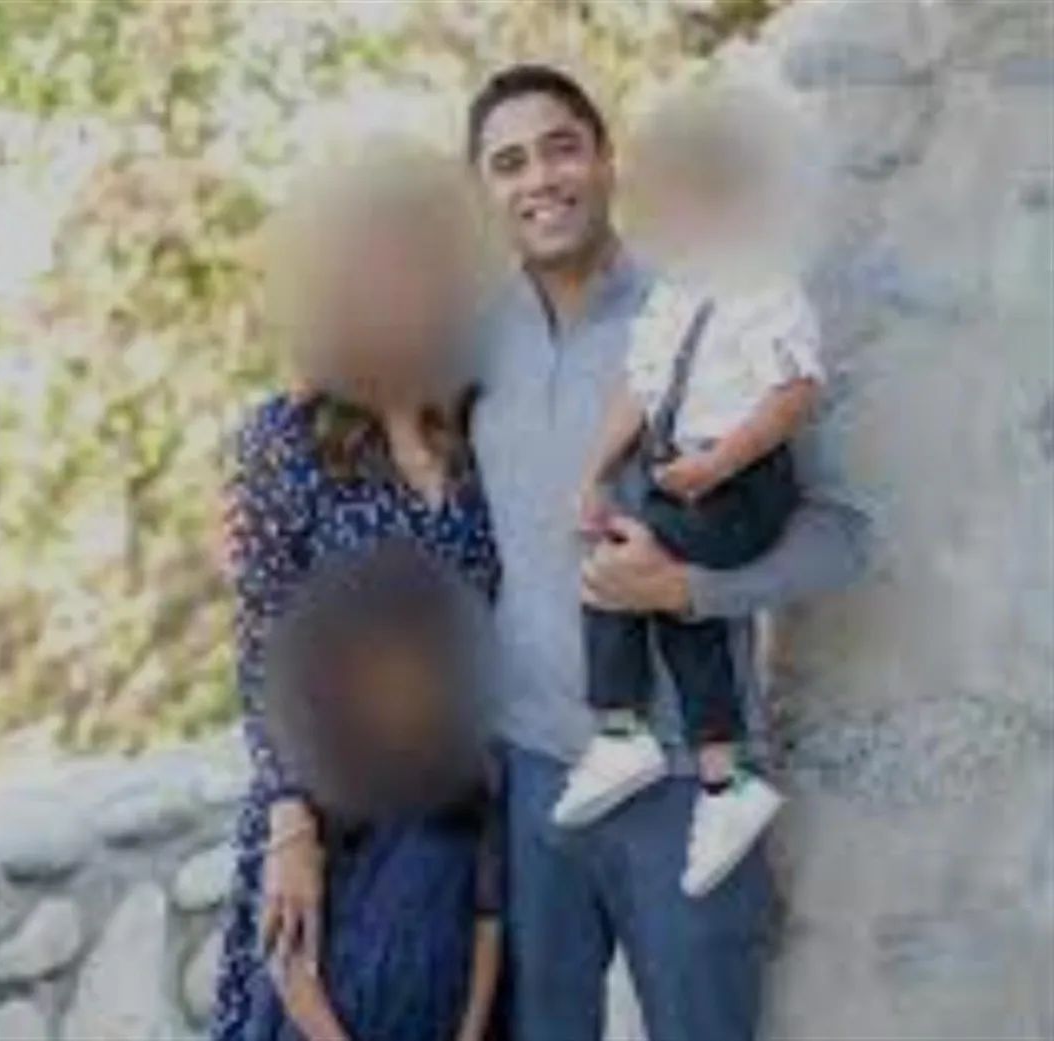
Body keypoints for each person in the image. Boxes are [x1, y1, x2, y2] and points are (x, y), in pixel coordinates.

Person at [467, 64, 869, 1041]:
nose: (539, 179)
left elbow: (842, 533)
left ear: (607, 162)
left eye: (561, 148)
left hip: (689, 783)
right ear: (482, 192)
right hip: (530, 780)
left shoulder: (712, 304)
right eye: (508, 163)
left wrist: (689, 588)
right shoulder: (474, 341)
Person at [211, 141, 502, 1041]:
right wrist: (290, 823)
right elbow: (263, 645)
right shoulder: (282, 440)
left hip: (459, 824)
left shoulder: (484, 430)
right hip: (330, 816)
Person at [553, 79, 826, 899]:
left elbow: (796, 392)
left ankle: (622, 730)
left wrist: (715, 466)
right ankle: (723, 780)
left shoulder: (765, 283)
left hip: (745, 480)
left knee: (621, 571)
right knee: (670, 597)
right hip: (687, 475)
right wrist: (594, 472)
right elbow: (641, 390)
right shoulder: (675, 293)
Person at [246, 544, 502, 1041]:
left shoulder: (467, 777)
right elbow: (287, 953)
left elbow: (488, 919)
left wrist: (470, 1033)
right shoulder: (326, 777)